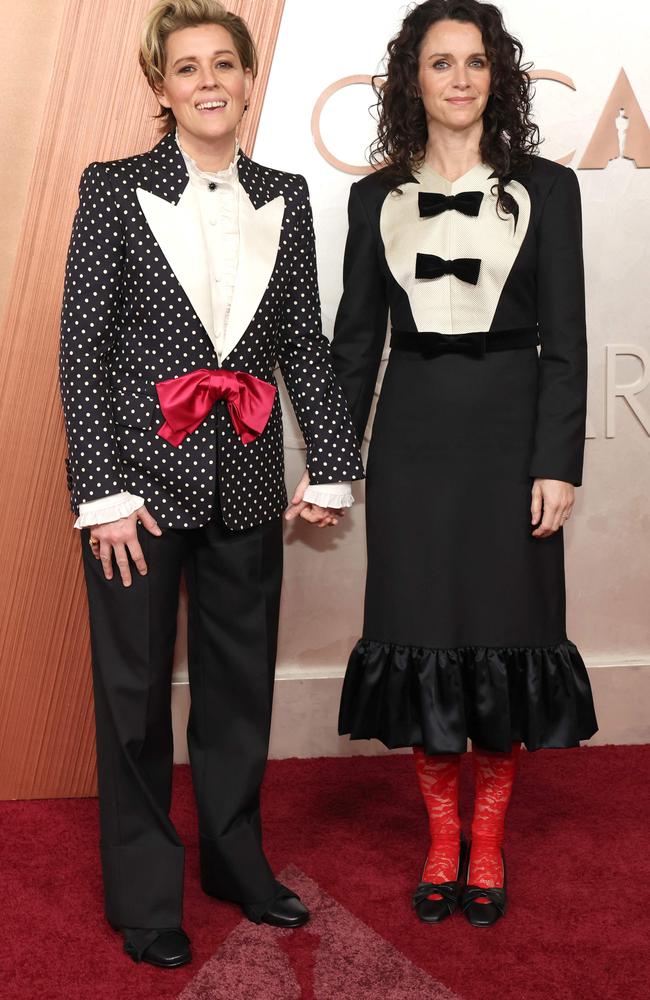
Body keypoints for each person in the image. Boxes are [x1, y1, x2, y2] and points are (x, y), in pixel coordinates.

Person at [59, 0, 363, 968]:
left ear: (245, 79)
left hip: (243, 480)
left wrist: (336, 464)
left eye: (222, 64)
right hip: (136, 495)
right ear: (160, 87)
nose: (206, 82)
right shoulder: (111, 188)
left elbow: (303, 350)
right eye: (185, 68)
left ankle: (235, 856)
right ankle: (146, 890)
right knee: (134, 693)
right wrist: (100, 490)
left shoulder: (285, 193)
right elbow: (84, 351)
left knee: (237, 690)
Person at [332, 0, 597, 928]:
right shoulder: (374, 198)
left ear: (497, 77)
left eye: (475, 62)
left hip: (509, 437)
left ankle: (487, 843)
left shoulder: (551, 189)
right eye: (440, 63)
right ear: (414, 78)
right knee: (424, 633)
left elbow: (568, 342)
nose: (458, 79)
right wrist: (333, 464)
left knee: (505, 632)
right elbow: (354, 349)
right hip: (410, 442)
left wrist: (557, 462)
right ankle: (440, 840)